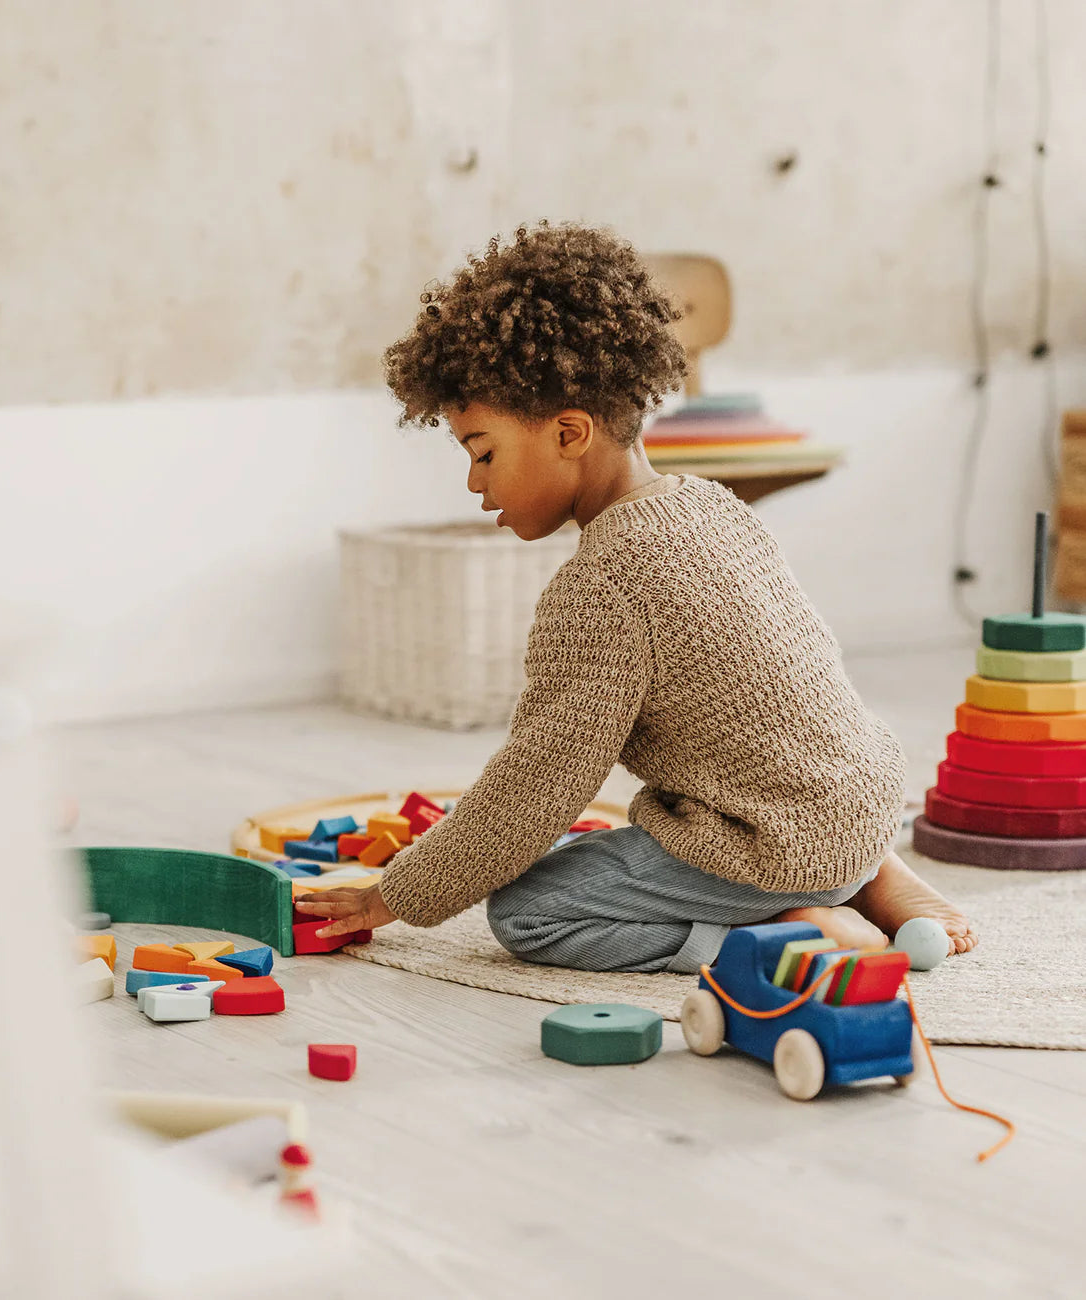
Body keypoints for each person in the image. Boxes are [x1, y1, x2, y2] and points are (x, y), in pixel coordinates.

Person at [299, 222, 975, 971]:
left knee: (529, 908)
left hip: (778, 841)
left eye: (482, 452)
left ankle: (797, 934)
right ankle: (871, 876)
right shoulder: (713, 505)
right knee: (678, 829)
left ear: (569, 433)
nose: (474, 482)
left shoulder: (602, 588)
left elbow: (537, 787)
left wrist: (395, 894)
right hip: (863, 799)